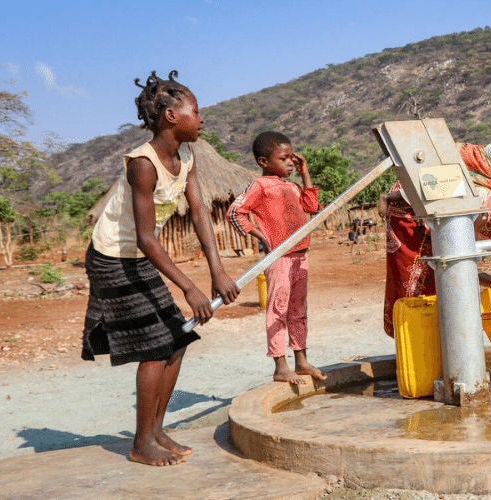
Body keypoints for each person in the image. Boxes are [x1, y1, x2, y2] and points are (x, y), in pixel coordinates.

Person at [81, 70, 240, 466]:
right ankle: (140, 443)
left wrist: (217, 271)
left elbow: (200, 211)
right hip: (113, 258)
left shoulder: (186, 156)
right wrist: (189, 287)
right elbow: (147, 239)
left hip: (139, 256)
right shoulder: (143, 165)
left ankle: (155, 431)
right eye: (196, 111)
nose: (202, 119)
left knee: (177, 341)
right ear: (171, 116)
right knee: (155, 347)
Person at [378, 133, 491, 337]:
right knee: (416, 289)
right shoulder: (485, 201)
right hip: (411, 216)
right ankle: (414, 346)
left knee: (441, 290)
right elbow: (461, 263)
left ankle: (432, 348)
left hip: (442, 226)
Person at [227, 131, 327, 385]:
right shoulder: (260, 186)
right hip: (280, 258)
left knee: (298, 309)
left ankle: (301, 361)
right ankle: (280, 365)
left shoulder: (291, 185)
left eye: (292, 158)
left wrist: (305, 174)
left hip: (300, 255)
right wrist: (263, 237)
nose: (290, 163)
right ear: (264, 162)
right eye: (284, 159)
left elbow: (311, 207)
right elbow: (235, 212)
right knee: (278, 309)